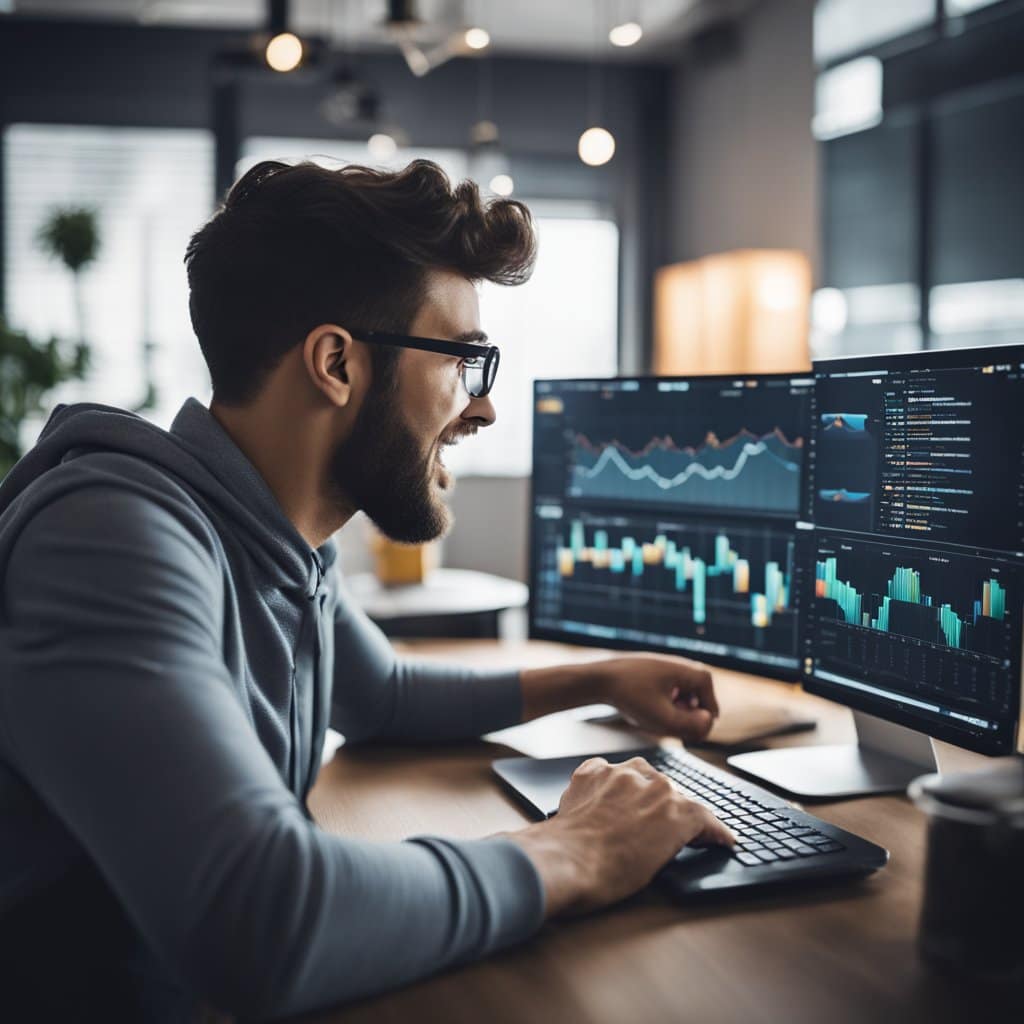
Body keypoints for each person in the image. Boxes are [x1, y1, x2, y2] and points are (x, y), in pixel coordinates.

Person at [0, 159, 732, 1021]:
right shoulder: (112, 539)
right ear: (336, 363)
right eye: (464, 360)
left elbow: (381, 693)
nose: (483, 408)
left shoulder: (274, 534)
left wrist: (603, 676)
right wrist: (577, 848)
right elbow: (263, 916)